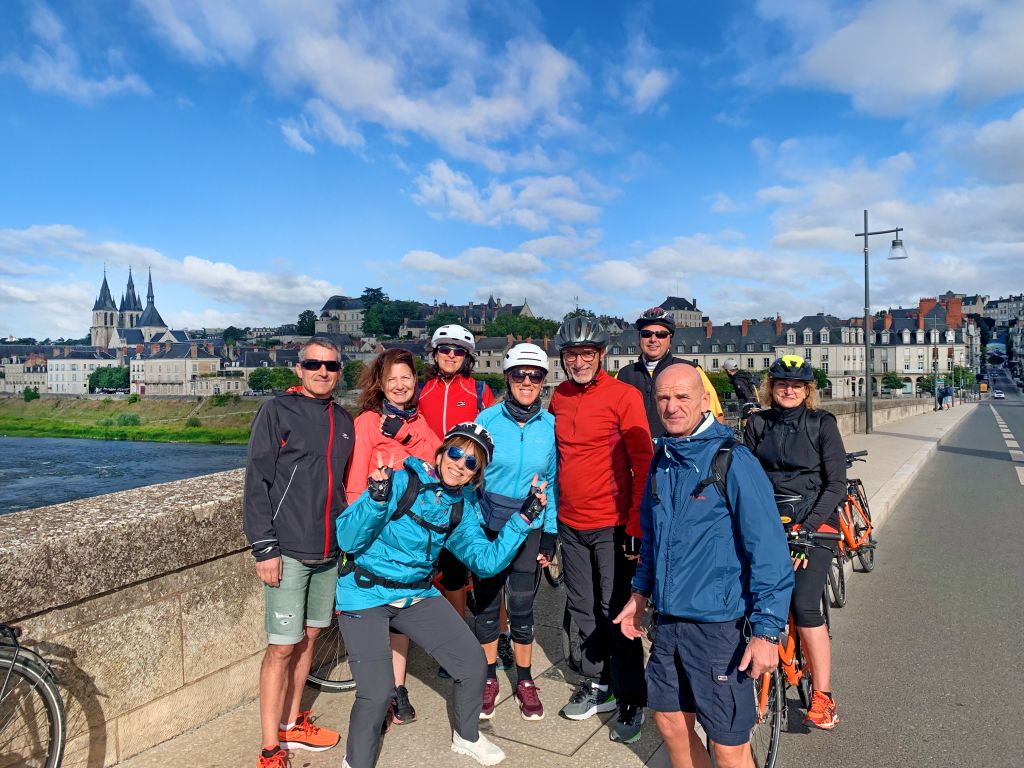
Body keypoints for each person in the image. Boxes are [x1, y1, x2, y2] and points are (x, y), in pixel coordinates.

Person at [334, 423, 546, 767]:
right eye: (456, 452)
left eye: (471, 462)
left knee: (474, 664)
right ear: (441, 452)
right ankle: (356, 762)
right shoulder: (400, 482)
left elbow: (486, 561)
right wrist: (375, 499)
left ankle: (466, 736)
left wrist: (523, 519)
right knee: (375, 694)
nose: (460, 463)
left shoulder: (461, 508)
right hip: (365, 592)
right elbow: (347, 540)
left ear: (476, 476)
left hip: (415, 593)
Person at [614, 363, 793, 768]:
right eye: (663, 398)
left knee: (728, 745)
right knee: (670, 722)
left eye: (682, 397)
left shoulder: (733, 461)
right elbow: (653, 535)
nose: (672, 406)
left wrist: (766, 632)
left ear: (703, 400)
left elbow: (768, 552)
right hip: (669, 622)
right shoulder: (663, 458)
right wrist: (639, 594)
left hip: (719, 628)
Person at [243, 337, 355, 768]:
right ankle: (270, 747)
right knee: (281, 648)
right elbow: (257, 482)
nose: (322, 372)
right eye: (313, 364)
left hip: (329, 551)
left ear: (339, 370)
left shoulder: (344, 419)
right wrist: (264, 547)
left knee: (310, 636)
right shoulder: (277, 411)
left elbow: (343, 487)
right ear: (299, 368)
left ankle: (292, 724)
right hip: (287, 550)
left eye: (330, 366)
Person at [548, 316, 653, 744]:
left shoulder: (624, 396)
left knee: (618, 614)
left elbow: (644, 464)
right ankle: (599, 684)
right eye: (571, 355)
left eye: (586, 354)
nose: (579, 361)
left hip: (612, 524)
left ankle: (632, 696)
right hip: (569, 523)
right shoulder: (557, 396)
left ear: (601, 355)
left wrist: (635, 525)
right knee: (582, 608)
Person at [743, 354, 847, 730]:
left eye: (797, 385)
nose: (789, 390)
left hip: (815, 523)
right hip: (771, 522)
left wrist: (808, 527)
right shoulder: (757, 423)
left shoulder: (822, 424)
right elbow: (747, 477)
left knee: (804, 606)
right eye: (782, 383)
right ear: (771, 387)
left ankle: (823, 697)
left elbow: (837, 484)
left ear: (808, 391)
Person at [344, 348, 442, 726]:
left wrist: (404, 435)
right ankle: (378, 691)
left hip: (412, 535)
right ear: (380, 385)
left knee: (401, 613)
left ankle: (397, 687)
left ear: (415, 381)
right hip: (377, 532)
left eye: (406, 378)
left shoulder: (417, 421)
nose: (400, 385)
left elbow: (438, 460)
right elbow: (355, 483)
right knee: (375, 617)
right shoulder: (368, 421)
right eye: (392, 380)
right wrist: (354, 530)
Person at [473, 343, 558, 721]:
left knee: (522, 608)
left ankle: (524, 679)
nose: (527, 381)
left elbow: (551, 482)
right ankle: (488, 677)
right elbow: (469, 476)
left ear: (543, 381)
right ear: (507, 378)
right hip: (490, 523)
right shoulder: (487, 420)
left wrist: (551, 533)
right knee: (489, 608)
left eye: (535, 375)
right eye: (519, 375)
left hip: (531, 527)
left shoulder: (551, 425)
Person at [418, 324, 497, 630]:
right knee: (450, 569)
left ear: (467, 357)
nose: (450, 355)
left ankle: (499, 632)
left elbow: (493, 439)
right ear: (434, 353)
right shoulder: (421, 390)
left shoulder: (478, 391)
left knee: (483, 567)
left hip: (471, 490)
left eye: (458, 351)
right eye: (444, 349)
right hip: (433, 488)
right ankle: (459, 631)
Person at [617, 307, 724, 437]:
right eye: (646, 334)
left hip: (679, 454)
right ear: (639, 338)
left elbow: (716, 419)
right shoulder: (622, 375)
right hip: (634, 455)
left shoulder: (691, 370)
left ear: (670, 339)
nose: (653, 339)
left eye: (661, 334)